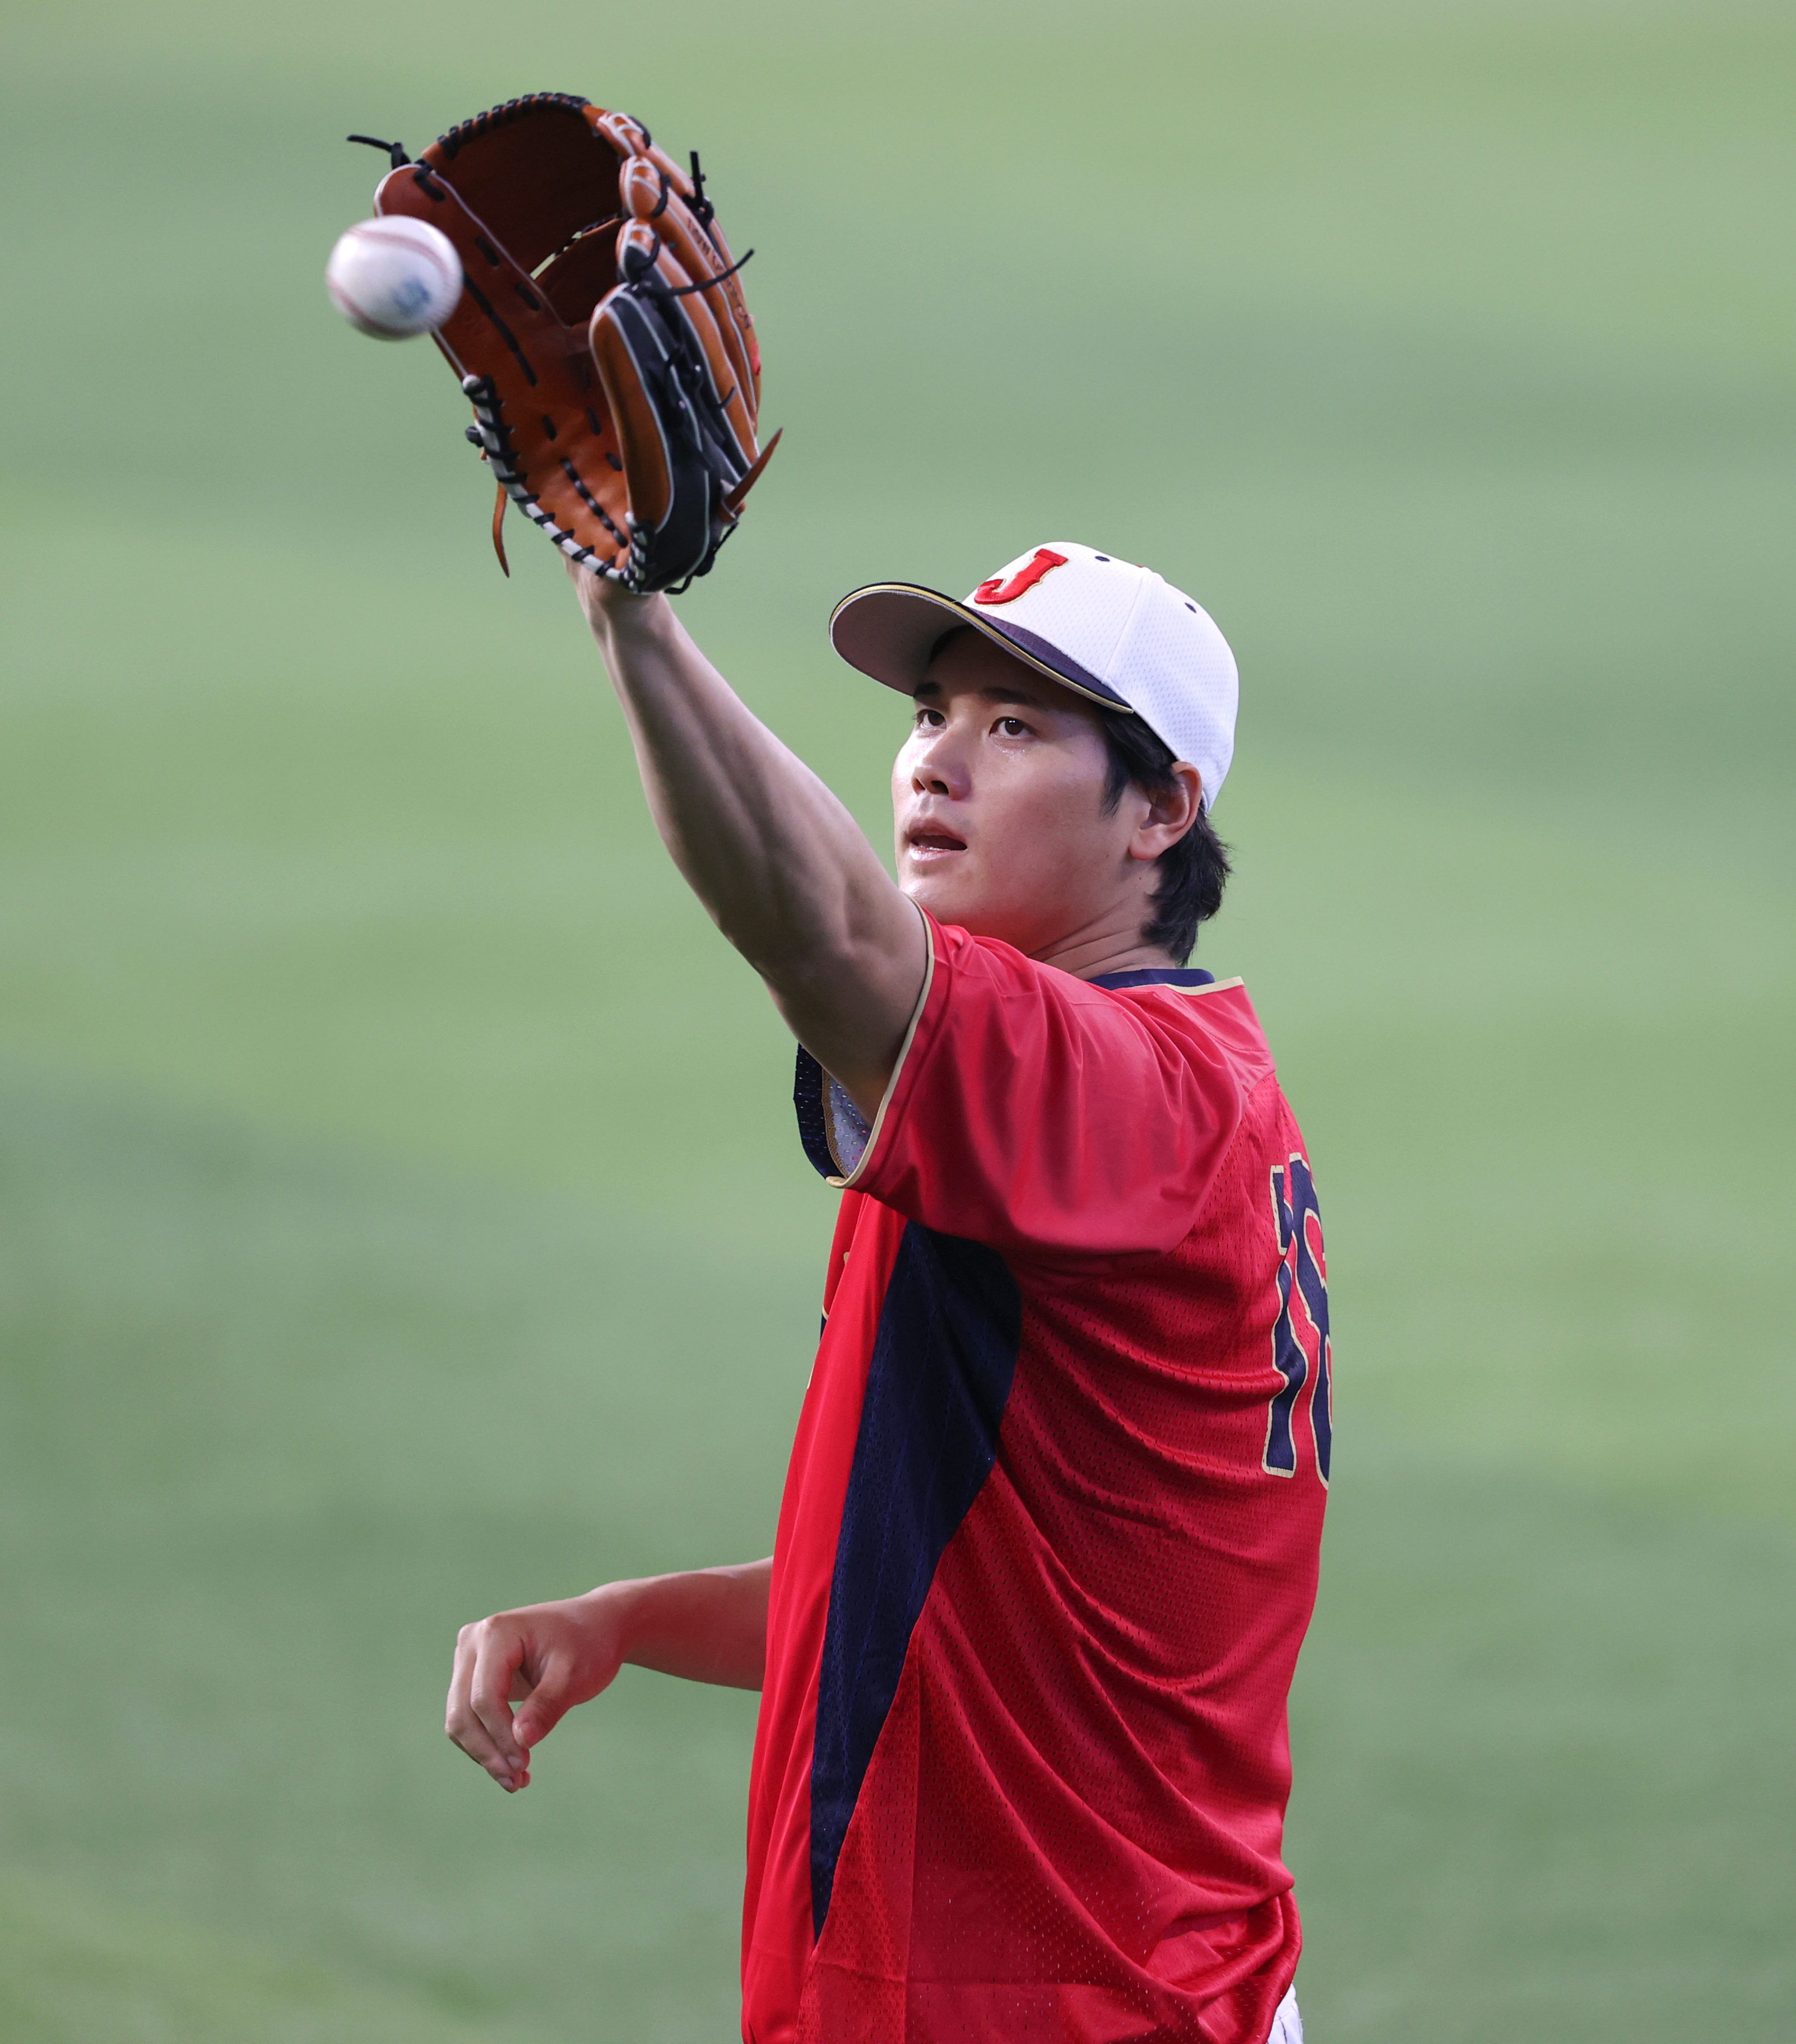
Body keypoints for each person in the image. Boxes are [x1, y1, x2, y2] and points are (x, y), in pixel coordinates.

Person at [444, 540, 1332, 2044]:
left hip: (1055, 2001)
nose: (938, 761)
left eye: (1017, 728)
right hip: (1119, 1979)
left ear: (1164, 809)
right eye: (934, 711)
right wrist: (628, 1619)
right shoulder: (1082, 1116)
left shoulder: (1115, 1099)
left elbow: (823, 935)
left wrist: (632, 616)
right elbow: (938, 1589)